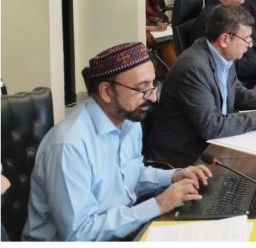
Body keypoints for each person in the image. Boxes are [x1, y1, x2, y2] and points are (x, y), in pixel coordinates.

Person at [23, 43, 212, 241]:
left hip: (119, 232)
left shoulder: (129, 122)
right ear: (106, 91)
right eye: (141, 89)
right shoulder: (69, 146)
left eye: (152, 85)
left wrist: (173, 176)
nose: (153, 97)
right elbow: (78, 234)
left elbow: (129, 177)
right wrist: (158, 204)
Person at [149, 5, 256, 167]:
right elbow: (211, 126)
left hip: (214, 142)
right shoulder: (193, 68)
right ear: (224, 39)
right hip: (187, 157)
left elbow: (235, 90)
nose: (250, 45)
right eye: (246, 38)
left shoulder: (222, 54)